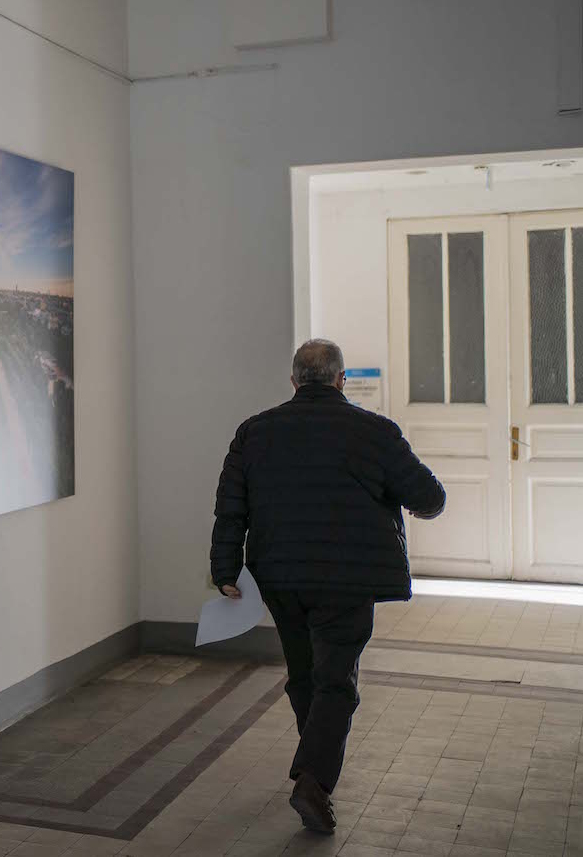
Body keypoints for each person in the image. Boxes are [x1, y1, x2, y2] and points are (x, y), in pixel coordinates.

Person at [210, 339, 445, 834]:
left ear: (293, 381)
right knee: (336, 679)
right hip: (347, 579)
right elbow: (428, 495)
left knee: (303, 675)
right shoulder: (375, 432)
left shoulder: (255, 432)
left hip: (280, 576)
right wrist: (419, 507)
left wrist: (226, 570)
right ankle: (313, 779)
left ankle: (311, 767)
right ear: (341, 381)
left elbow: (232, 507)